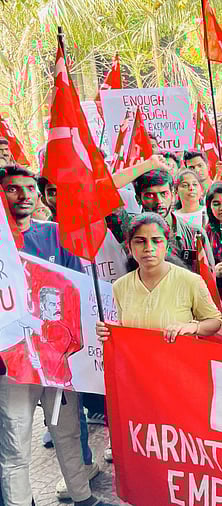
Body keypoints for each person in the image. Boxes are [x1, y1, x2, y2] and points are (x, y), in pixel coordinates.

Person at [0, 165, 112, 506]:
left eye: (29, 188)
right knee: (16, 441)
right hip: (12, 363)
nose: (23, 195)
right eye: (12, 189)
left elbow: (74, 292)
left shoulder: (56, 234)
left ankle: (82, 495)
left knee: (66, 430)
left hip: (54, 359)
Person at [95, 213, 222, 343]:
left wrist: (192, 327)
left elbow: (215, 321)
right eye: (140, 241)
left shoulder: (190, 281)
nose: (149, 248)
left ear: (167, 245)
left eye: (156, 241)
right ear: (129, 246)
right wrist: (110, 329)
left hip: (178, 361)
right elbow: (125, 327)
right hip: (138, 362)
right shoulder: (120, 286)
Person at [133, 169, 213, 269]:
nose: (159, 201)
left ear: (173, 195)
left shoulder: (195, 233)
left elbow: (209, 276)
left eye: (164, 194)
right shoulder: (132, 235)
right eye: (150, 195)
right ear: (138, 199)